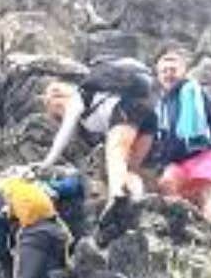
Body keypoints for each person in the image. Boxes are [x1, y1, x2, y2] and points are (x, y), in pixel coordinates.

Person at [39, 57, 156, 221]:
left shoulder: (78, 97)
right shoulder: (96, 96)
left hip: (126, 109)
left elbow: (62, 136)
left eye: (56, 105)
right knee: (128, 168)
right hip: (148, 117)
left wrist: (46, 163)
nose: (58, 110)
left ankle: (116, 198)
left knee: (115, 152)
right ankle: (137, 198)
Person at [153, 43, 211, 224]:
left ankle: (209, 231)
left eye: (173, 69)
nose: (169, 73)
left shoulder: (195, 92)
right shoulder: (160, 105)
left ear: (184, 71)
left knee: (206, 194)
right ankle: (182, 226)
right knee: (166, 184)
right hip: (175, 160)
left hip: (204, 152)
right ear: (158, 75)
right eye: (164, 71)